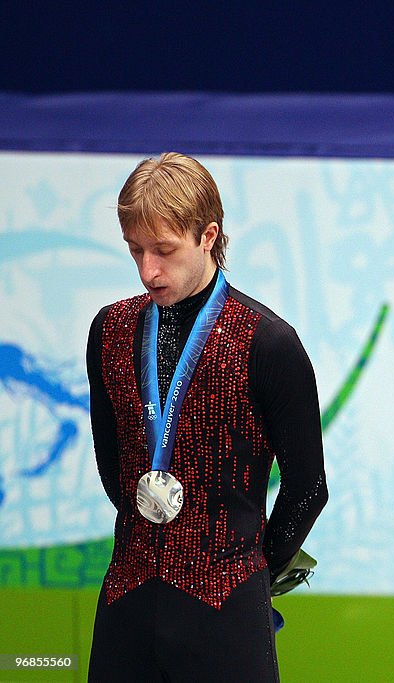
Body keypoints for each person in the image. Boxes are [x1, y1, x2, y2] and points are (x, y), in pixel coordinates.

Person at [86, 152, 328, 682]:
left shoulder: (268, 342)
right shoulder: (111, 330)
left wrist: (246, 566)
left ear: (208, 236)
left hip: (228, 609)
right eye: (135, 251)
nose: (149, 270)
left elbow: (309, 488)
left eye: (164, 250)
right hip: (127, 600)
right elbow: (115, 467)